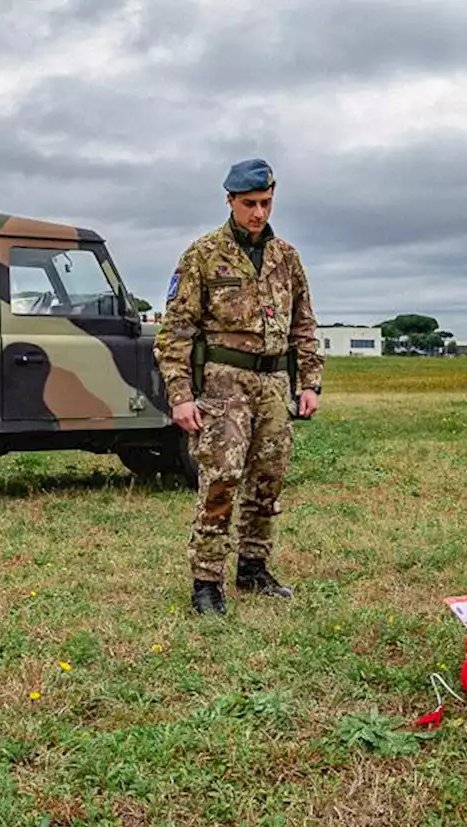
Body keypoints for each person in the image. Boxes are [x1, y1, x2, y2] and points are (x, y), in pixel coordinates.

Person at [154, 158, 324, 616]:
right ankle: (206, 582)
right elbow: (175, 333)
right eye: (249, 204)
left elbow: (303, 323)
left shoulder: (286, 257)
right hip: (223, 385)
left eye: (266, 203)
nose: (258, 214)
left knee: (268, 479)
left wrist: (310, 382)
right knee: (221, 481)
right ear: (230, 200)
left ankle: (253, 568)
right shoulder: (204, 255)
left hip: (273, 384)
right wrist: (181, 396)